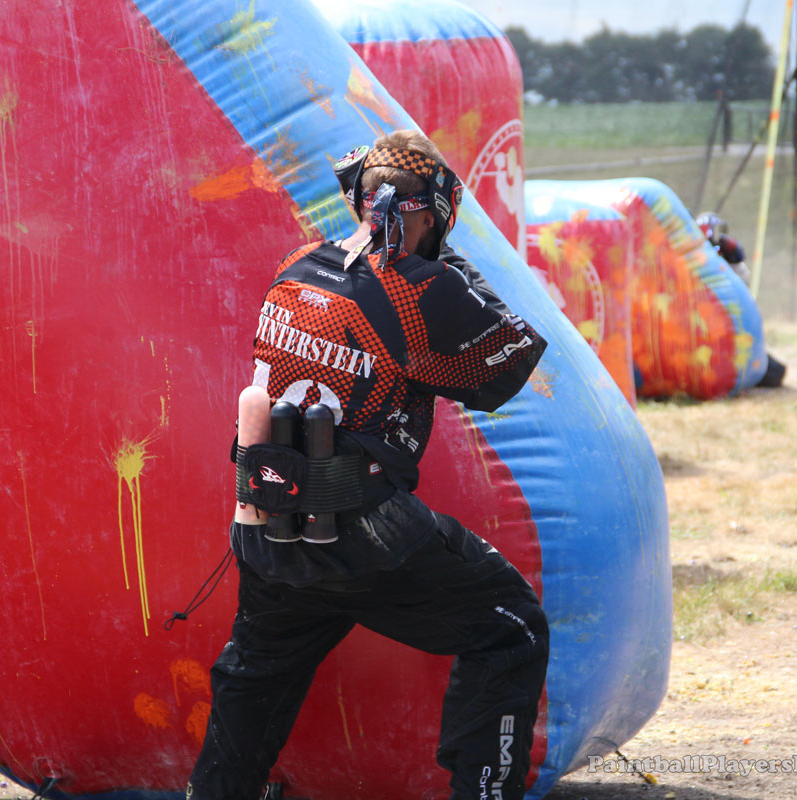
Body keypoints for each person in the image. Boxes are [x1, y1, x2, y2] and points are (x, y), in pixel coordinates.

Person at [187, 130, 550, 800]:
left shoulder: (297, 263)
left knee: (256, 675)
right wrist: (447, 266)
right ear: (427, 214)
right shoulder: (422, 287)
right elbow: (509, 367)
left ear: (360, 199)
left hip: (265, 518)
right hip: (363, 531)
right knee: (511, 626)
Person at [695, 212, 786, 387]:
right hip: (703, 332)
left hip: (729, 329)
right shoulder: (690, 259)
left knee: (775, 373)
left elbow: (743, 287)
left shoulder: (728, 254)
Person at [696, 211, 751, 285]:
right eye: (716, 229)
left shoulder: (726, 244)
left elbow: (739, 265)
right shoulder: (695, 249)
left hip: (728, 283)